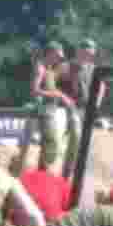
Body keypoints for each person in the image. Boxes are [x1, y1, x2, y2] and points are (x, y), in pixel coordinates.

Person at [60, 38, 106, 179]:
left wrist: (96, 103)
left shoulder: (92, 69)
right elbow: (55, 84)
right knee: (75, 138)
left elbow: (102, 86)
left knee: (81, 143)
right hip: (70, 107)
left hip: (86, 109)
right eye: (85, 52)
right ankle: (65, 174)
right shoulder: (67, 66)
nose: (88, 55)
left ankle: (72, 174)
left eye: (90, 53)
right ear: (78, 51)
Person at [28, 40, 73, 173]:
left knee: (52, 144)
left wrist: (62, 96)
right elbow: (34, 90)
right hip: (43, 109)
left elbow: (51, 89)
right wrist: (58, 96)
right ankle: (43, 172)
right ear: (51, 53)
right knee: (51, 142)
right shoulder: (40, 67)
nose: (59, 59)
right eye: (57, 56)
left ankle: (43, 171)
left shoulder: (50, 69)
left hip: (51, 110)